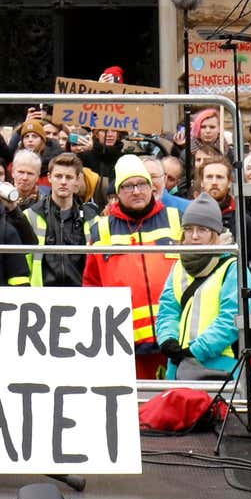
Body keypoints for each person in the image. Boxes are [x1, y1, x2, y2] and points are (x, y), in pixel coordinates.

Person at [83, 154, 183, 381]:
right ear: (117, 192)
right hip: (125, 340)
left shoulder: (177, 219)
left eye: (141, 184)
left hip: (174, 334)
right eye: (128, 186)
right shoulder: (102, 229)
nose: (136, 191)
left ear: (151, 187)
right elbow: (92, 284)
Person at [155, 195, 248, 380]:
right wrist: (168, 340)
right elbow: (168, 309)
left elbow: (231, 319)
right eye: (189, 229)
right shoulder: (178, 266)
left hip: (219, 367)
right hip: (179, 367)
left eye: (202, 230)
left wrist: (194, 351)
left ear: (215, 233)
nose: (194, 236)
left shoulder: (233, 267)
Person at [24, 153, 98, 287]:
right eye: (58, 176)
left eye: (69, 177)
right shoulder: (31, 216)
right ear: (49, 178)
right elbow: (23, 263)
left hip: (83, 297)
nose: (63, 181)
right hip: (40, 298)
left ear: (77, 180)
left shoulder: (93, 220)